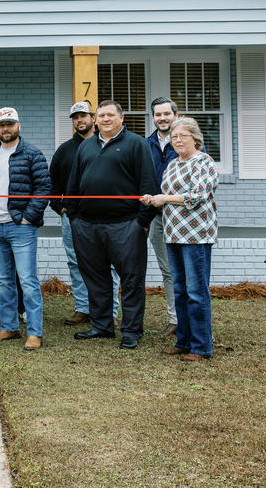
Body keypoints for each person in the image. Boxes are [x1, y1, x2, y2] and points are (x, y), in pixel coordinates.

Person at [67, 101, 158, 350]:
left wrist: (142, 221)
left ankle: (131, 330)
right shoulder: (86, 145)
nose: (105, 119)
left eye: (110, 115)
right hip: (86, 226)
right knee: (96, 279)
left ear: (121, 117)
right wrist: (74, 218)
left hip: (126, 225)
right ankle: (102, 326)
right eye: (101, 115)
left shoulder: (137, 144)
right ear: (95, 119)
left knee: (131, 280)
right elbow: (73, 184)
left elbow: (148, 183)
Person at [141, 117, 219, 362]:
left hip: (196, 236)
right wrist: (153, 199)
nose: (177, 140)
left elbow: (198, 196)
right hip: (172, 233)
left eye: (182, 136)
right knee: (180, 291)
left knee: (196, 292)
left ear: (195, 138)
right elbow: (167, 196)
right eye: (174, 137)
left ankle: (202, 346)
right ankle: (183, 342)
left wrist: (164, 198)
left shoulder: (203, 161)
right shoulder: (173, 164)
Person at [0, 108, 51, 351]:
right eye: (2, 125)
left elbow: (43, 188)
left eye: (10, 124)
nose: (6, 129)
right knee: (3, 280)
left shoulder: (32, 153)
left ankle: (34, 332)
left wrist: (28, 218)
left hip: (20, 228)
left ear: (18, 126)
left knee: (28, 281)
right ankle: (8, 327)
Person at [49, 102, 121, 326]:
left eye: (83, 116)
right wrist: (61, 208)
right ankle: (82, 307)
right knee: (76, 262)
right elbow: (52, 185)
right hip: (73, 217)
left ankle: (110, 311)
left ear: (93, 118)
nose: (79, 120)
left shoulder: (107, 144)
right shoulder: (64, 150)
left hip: (106, 215)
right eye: (75, 117)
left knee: (108, 262)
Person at [145, 97, 180, 336]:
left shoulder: (187, 141)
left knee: (186, 269)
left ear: (175, 115)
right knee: (167, 270)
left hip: (182, 217)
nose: (162, 118)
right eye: (158, 114)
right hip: (156, 216)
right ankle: (175, 319)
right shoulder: (145, 144)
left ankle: (194, 321)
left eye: (166, 113)